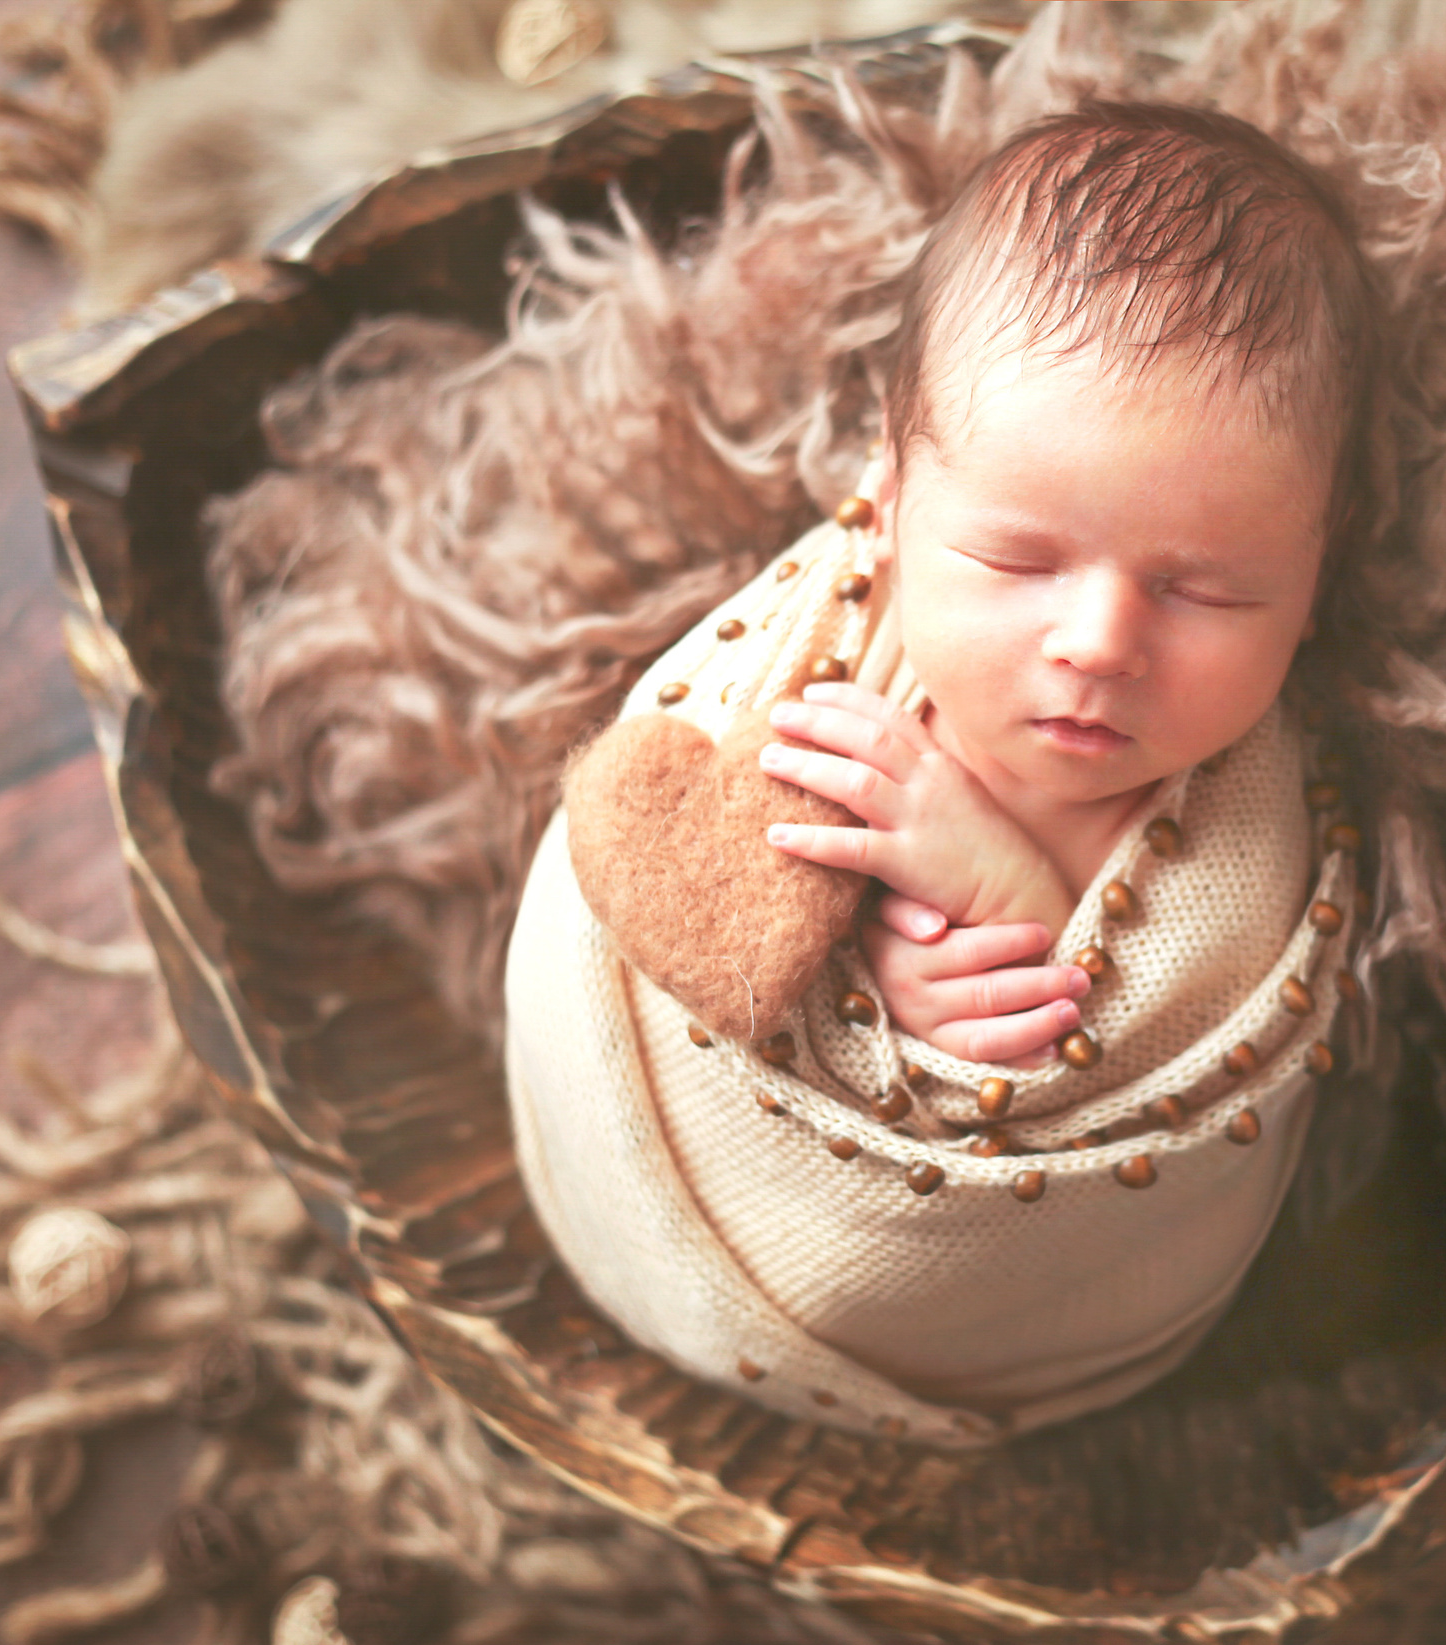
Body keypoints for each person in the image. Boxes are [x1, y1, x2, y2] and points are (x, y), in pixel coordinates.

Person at [508, 102, 1392, 1446]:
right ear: (894, 483)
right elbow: (721, 870)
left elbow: (1111, 1031)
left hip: (1002, 1300)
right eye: (1022, 561)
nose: (1099, 643)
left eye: (1206, 590)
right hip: (658, 1151)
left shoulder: (1236, 845)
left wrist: (996, 903)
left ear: (1319, 573)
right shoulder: (823, 656)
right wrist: (867, 989)